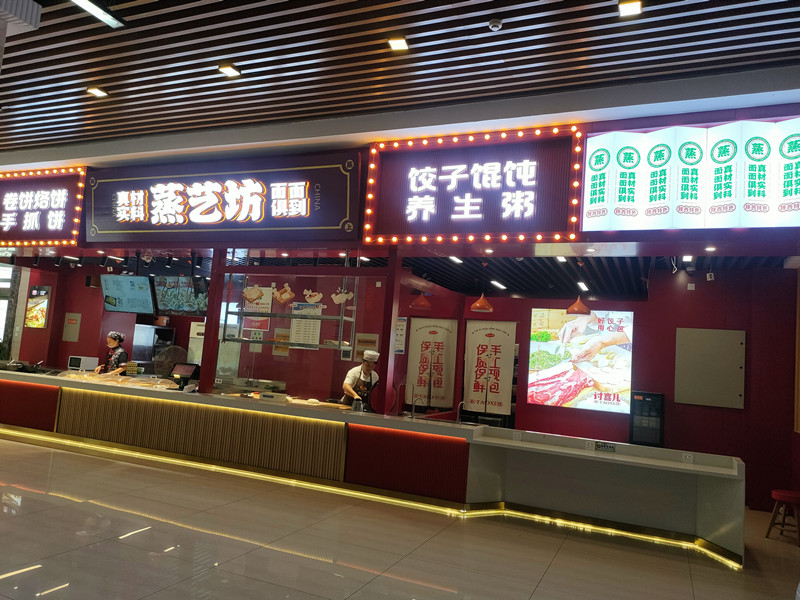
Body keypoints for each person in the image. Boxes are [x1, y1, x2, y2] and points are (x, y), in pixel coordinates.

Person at [558, 312, 631, 363]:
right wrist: (581, 320)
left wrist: (602, 342)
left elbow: (636, 330)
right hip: (612, 329)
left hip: (634, 340)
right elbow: (600, 309)